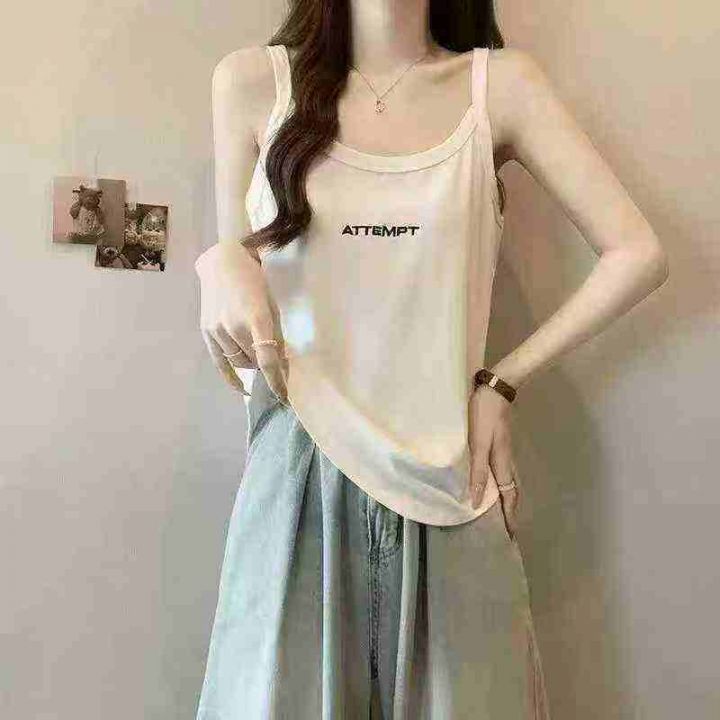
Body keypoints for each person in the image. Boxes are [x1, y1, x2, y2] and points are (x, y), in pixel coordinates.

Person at [194, 1, 669, 717]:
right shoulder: (251, 84)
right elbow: (240, 286)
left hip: (450, 478)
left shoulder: (499, 87)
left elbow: (637, 253)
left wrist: (502, 383)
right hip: (298, 478)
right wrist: (216, 260)